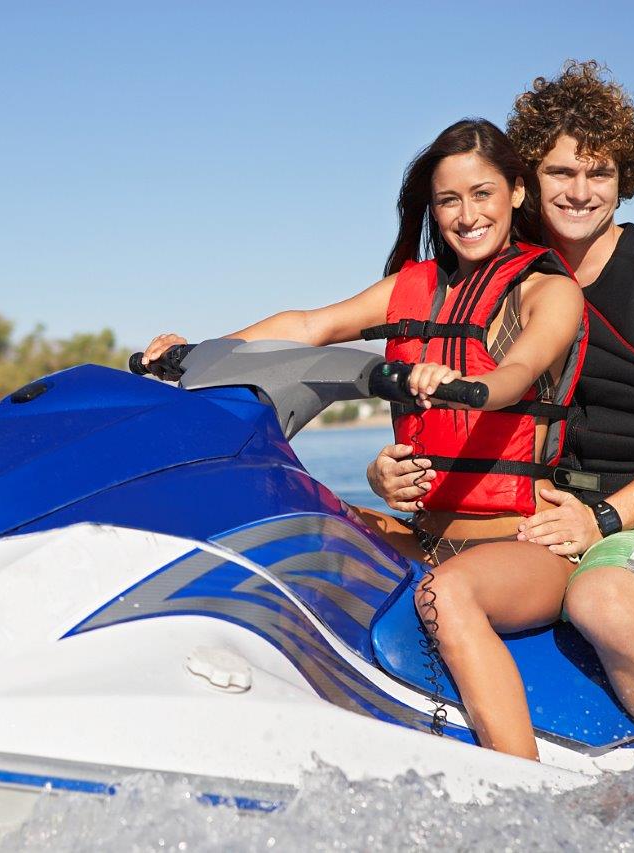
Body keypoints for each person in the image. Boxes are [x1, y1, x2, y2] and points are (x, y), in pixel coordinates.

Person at [373, 61, 634, 753]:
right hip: (533, 523)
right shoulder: (502, 273)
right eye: (561, 173)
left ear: (622, 178)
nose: (580, 192)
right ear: (527, 181)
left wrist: (603, 516)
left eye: (599, 173)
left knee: (600, 598)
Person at [141, 117, 585, 579]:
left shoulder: (548, 291)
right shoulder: (411, 288)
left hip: (519, 544)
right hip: (424, 537)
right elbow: (310, 324)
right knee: (280, 525)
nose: (467, 216)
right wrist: (202, 351)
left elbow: (517, 374)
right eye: (448, 201)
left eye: (482, 194)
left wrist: (470, 385)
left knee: (447, 594)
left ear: (515, 192)